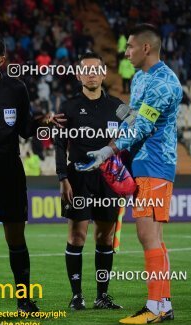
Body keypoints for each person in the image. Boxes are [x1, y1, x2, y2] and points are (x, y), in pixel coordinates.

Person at [76, 24, 183, 324]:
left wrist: (108, 151)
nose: (125, 53)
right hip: (140, 165)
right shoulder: (138, 79)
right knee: (155, 238)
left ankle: (154, 307)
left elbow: (143, 126)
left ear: (146, 48)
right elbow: (132, 120)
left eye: (130, 47)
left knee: (148, 235)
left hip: (156, 165)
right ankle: (163, 304)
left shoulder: (165, 83)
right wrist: (114, 145)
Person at [0, 34, 65, 317]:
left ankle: (24, 300)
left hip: (9, 168)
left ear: (1, 60)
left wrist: (42, 121)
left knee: (16, 237)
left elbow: (24, 130)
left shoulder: (16, 89)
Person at [55, 51, 124, 311]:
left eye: (97, 69)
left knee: (105, 238)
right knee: (77, 236)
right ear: (78, 74)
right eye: (87, 70)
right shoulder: (69, 107)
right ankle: (76, 295)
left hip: (108, 178)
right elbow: (60, 145)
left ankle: (102, 296)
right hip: (78, 178)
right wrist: (63, 177)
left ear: (104, 72)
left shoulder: (118, 107)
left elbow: (129, 140)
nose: (92, 73)